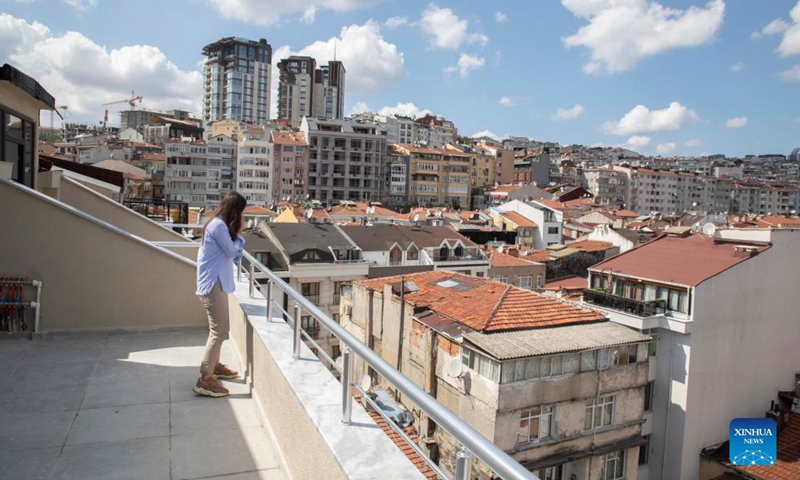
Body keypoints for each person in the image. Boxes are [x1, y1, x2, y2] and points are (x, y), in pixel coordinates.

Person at [193, 192, 247, 397]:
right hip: (213, 284)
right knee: (219, 330)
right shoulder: (219, 226)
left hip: (217, 283)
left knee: (220, 328)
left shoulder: (217, 224)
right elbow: (233, 252)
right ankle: (205, 379)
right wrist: (240, 235)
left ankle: (214, 366)